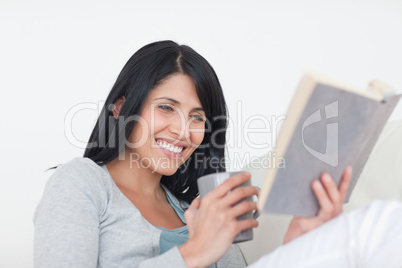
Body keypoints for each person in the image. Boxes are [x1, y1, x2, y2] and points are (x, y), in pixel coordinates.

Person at [34, 40, 402, 268]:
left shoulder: (192, 207)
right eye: (166, 107)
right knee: (380, 224)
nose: (183, 131)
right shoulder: (81, 182)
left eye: (197, 117)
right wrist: (194, 252)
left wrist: (301, 244)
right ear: (120, 108)